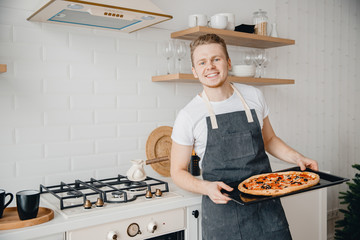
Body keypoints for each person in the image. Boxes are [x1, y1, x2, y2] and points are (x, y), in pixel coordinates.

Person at [170, 34, 318, 240]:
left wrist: (297, 158)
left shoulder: (254, 96)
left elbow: (270, 140)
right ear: (194, 71)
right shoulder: (188, 115)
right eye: (202, 62)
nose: (210, 66)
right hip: (223, 215)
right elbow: (177, 171)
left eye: (216, 59)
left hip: (266, 208)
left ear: (228, 62)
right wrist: (205, 187)